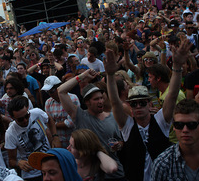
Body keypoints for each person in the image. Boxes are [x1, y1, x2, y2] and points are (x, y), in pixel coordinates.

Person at [104, 39, 192, 181]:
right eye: (134, 104)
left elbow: (172, 95)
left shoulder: (160, 121)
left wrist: (177, 67)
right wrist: (109, 75)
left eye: (142, 103)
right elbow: (115, 102)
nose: (138, 107)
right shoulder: (127, 126)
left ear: (149, 104)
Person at [58, 71, 125, 180]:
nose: (100, 101)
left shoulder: (113, 117)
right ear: (87, 102)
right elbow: (61, 91)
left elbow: (121, 140)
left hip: (113, 173)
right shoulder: (80, 116)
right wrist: (82, 76)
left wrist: (119, 145)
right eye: (96, 99)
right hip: (90, 174)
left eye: (101, 98)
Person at [4, 96, 60, 181]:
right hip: (32, 174)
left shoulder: (36, 113)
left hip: (50, 163)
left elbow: (49, 120)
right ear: (13, 118)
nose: (25, 120)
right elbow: (11, 160)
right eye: (20, 119)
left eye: (27, 116)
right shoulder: (10, 133)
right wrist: (18, 163)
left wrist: (55, 136)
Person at [151, 99, 199, 180]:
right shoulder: (163, 164)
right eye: (179, 125)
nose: (185, 130)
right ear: (173, 126)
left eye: (191, 125)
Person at [42, 76, 80, 148]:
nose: (50, 94)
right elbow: (47, 122)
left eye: (52, 91)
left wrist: (53, 125)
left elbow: (71, 123)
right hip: (58, 142)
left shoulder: (73, 98)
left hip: (73, 141)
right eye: (47, 92)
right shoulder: (48, 102)